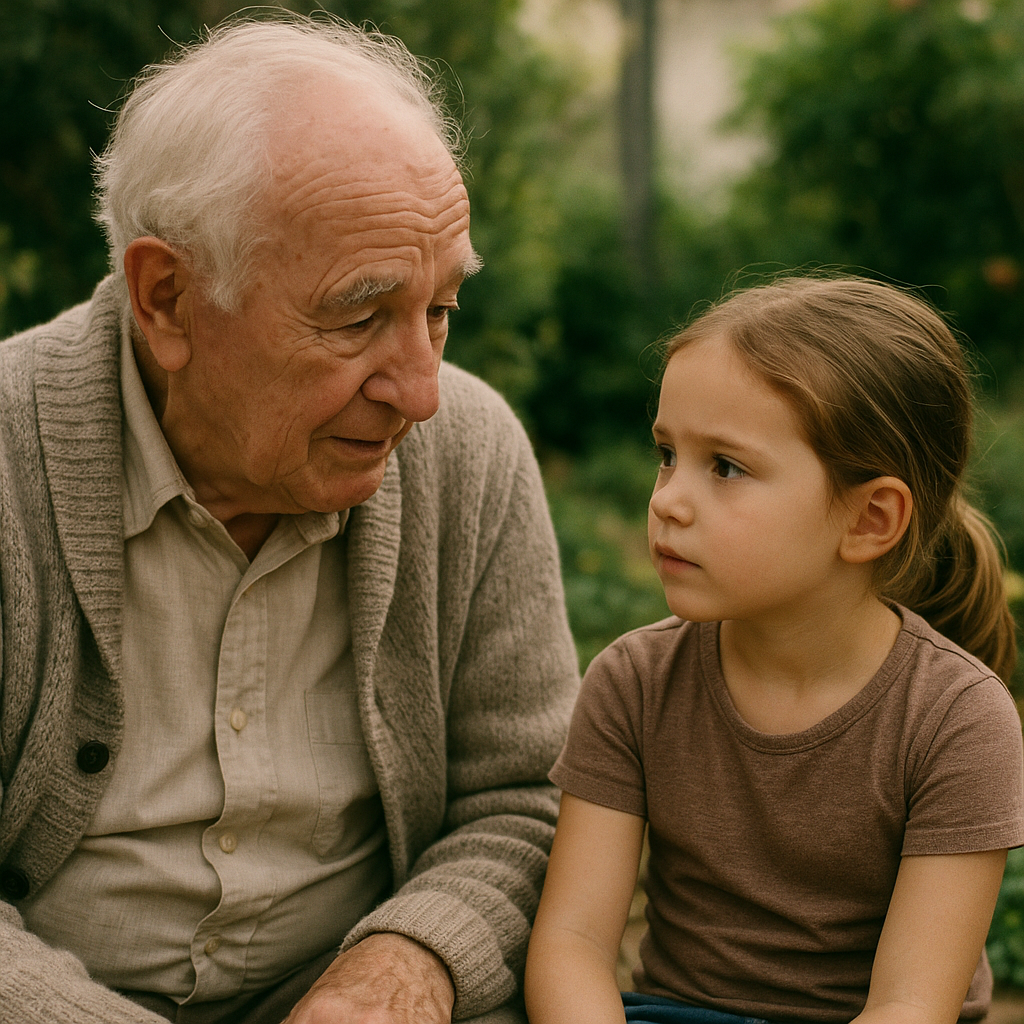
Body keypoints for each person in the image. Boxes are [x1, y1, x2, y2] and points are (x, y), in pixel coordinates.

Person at [0, 14, 580, 1024]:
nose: (420, 391)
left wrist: (406, 965)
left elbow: (525, 799)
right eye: (359, 316)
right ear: (168, 298)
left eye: (440, 309)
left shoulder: (469, 454)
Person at [524, 276, 1024, 1024]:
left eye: (724, 466)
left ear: (870, 519)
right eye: (666, 453)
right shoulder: (633, 682)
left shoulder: (958, 721)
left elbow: (910, 1006)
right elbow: (571, 943)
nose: (666, 499)